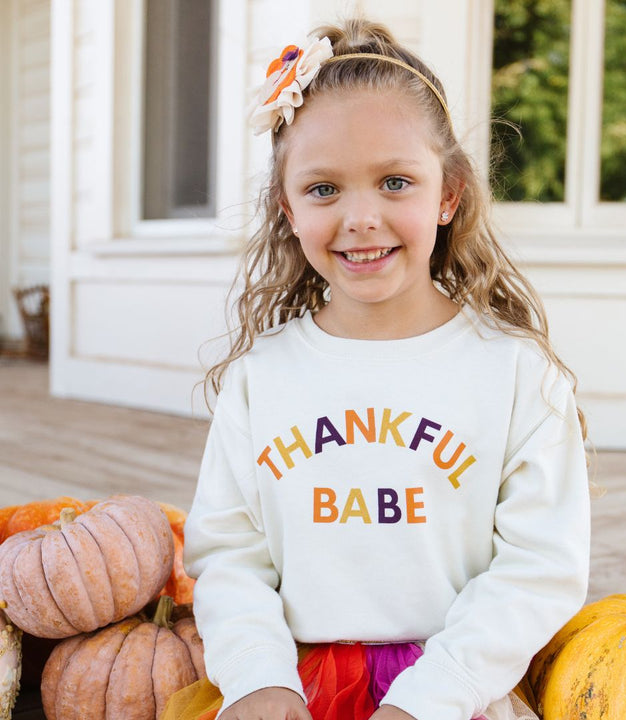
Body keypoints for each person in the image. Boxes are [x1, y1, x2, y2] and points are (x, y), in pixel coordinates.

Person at [170, 17, 591, 720]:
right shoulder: (262, 380)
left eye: (395, 182)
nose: (361, 217)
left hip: (455, 690)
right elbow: (229, 555)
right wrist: (257, 679)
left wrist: (427, 699)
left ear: (449, 193)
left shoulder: (517, 377)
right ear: (287, 207)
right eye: (324, 189)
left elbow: (539, 569)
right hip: (292, 688)